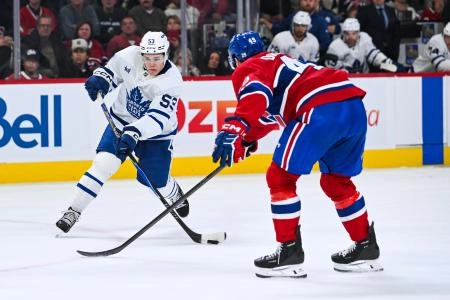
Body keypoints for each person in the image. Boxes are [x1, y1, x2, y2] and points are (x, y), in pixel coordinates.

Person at [212, 31, 382, 278]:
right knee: (337, 182)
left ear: (236, 59)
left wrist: (234, 127)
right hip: (352, 104)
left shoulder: (249, 67)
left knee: (280, 179)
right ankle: (366, 246)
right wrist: (247, 137)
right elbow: (270, 115)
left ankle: (289, 251)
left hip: (319, 108)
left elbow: (255, 95)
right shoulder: (280, 61)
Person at [56, 31, 190, 233]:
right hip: (121, 120)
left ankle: (173, 193)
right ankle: (73, 210)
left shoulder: (171, 82)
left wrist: (134, 132)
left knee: (154, 180)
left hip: (155, 134)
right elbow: (111, 73)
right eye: (147, 58)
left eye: (157, 58)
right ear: (141, 54)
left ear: (166, 55)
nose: (151, 63)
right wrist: (100, 80)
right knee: (104, 163)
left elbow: (156, 118)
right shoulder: (128, 55)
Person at [324, 18, 398, 73]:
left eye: (354, 33)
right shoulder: (335, 46)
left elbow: (373, 55)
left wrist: (385, 61)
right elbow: (331, 69)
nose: (350, 37)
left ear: (358, 33)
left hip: (364, 79)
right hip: (344, 82)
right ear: (343, 33)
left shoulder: (364, 38)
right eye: (347, 33)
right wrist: (344, 70)